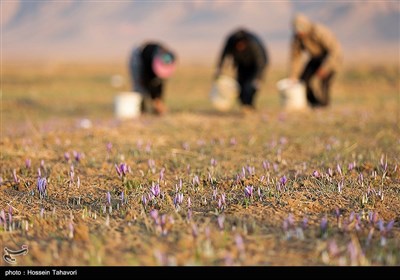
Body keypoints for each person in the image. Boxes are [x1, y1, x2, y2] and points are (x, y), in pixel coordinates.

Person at [289, 13, 342, 107]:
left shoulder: (319, 32)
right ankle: (314, 104)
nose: (299, 33)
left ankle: (324, 105)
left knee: (323, 84)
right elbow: (295, 57)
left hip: (329, 58)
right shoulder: (297, 38)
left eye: (300, 29)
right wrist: (294, 76)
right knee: (303, 82)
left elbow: (335, 51)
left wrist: (325, 68)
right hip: (315, 58)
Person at [214, 28, 268, 112]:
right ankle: (244, 106)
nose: (239, 47)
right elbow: (223, 55)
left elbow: (261, 62)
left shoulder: (253, 44)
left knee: (250, 86)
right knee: (239, 85)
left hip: (255, 65)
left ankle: (249, 105)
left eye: (241, 45)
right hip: (241, 64)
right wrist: (219, 69)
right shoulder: (231, 42)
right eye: (238, 45)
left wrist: (258, 78)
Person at [129, 42, 177, 115]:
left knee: (157, 85)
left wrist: (159, 99)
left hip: (151, 62)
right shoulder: (148, 61)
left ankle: (156, 108)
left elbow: (159, 82)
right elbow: (147, 79)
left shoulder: (169, 56)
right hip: (140, 59)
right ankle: (141, 110)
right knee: (140, 86)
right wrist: (155, 99)